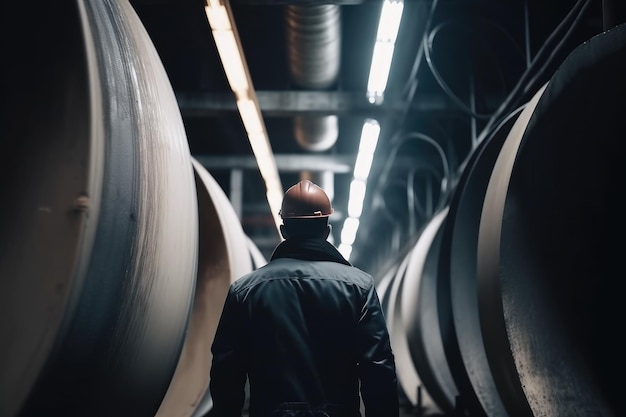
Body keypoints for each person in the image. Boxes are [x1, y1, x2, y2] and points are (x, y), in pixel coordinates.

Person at [207, 179, 399, 417]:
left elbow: (226, 374)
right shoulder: (359, 287)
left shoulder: (245, 291)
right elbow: (378, 370)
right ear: (327, 231)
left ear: (283, 231)